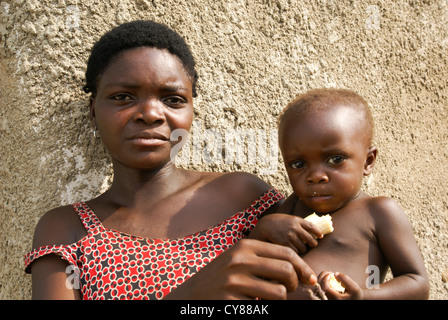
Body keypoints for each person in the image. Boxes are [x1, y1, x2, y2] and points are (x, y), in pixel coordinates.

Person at [24, 20, 317, 300]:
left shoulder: (244, 197)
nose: (150, 114)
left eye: (173, 99)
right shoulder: (67, 230)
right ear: (93, 110)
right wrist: (193, 295)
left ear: (192, 111)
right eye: (123, 97)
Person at [249, 88, 430, 299]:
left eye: (335, 159)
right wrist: (263, 229)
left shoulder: (378, 212)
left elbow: (417, 283)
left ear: (368, 161)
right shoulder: (292, 208)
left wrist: (363, 296)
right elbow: (250, 263)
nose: (315, 176)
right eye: (298, 164)